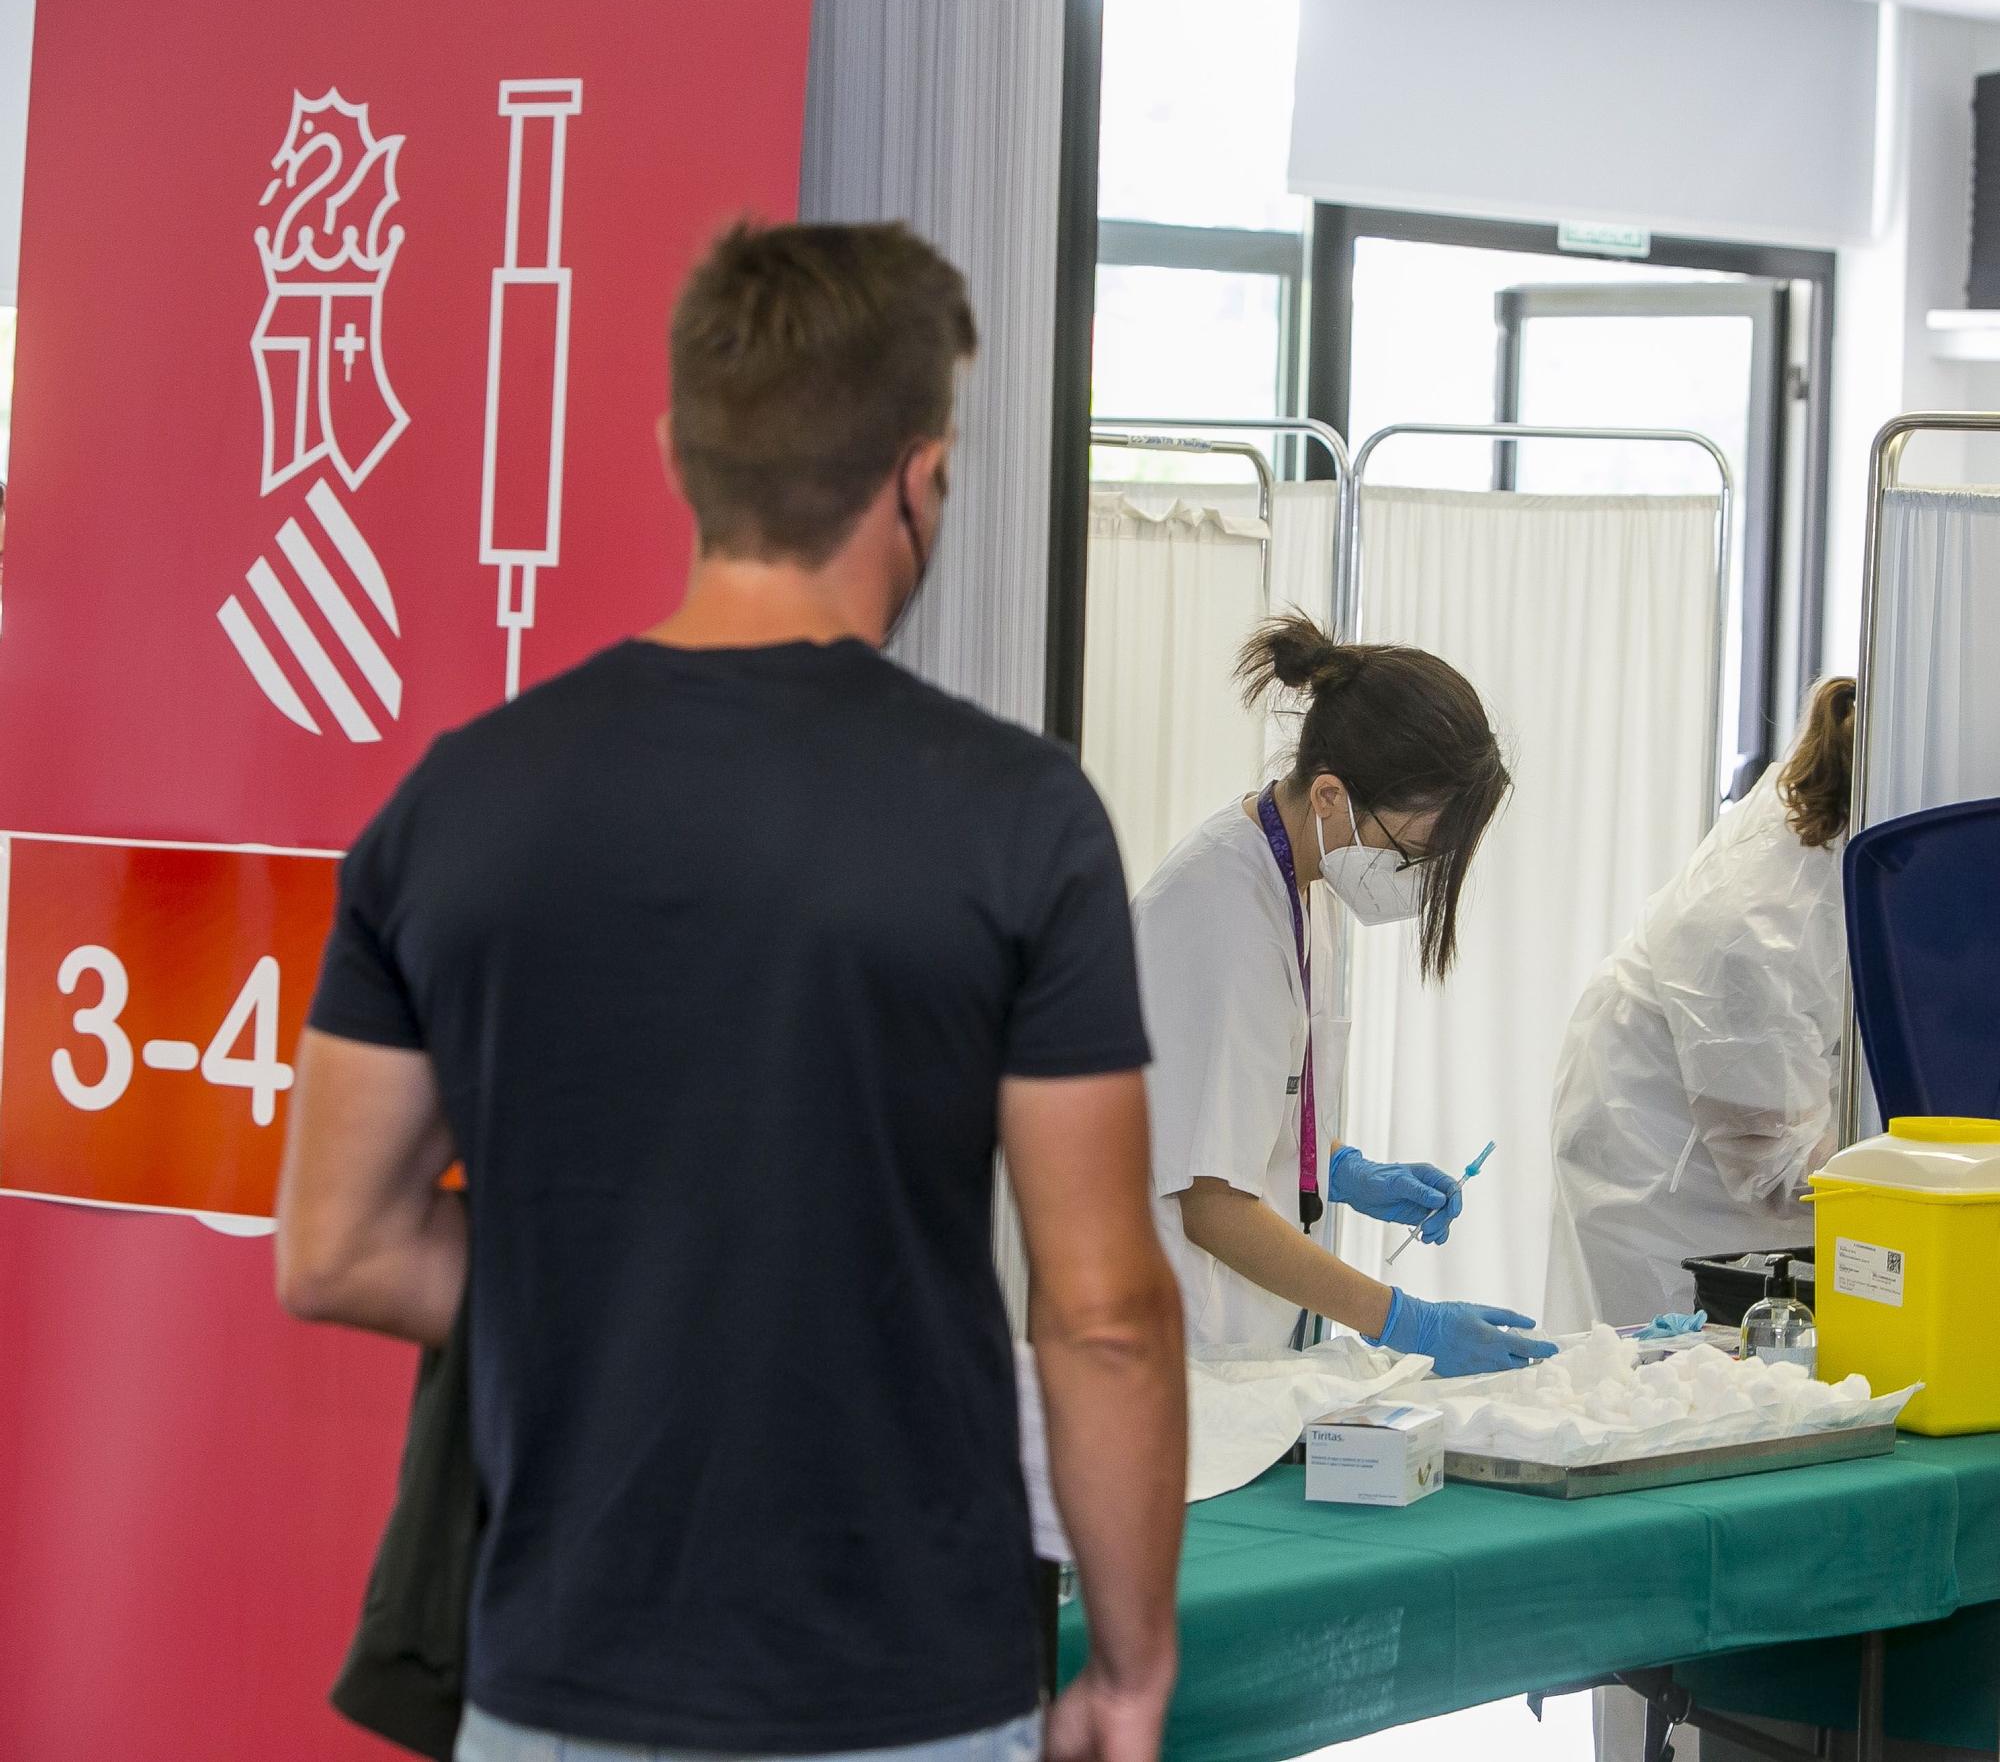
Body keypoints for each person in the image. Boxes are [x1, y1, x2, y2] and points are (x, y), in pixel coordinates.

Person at [276, 222, 1188, 1762]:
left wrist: (623, 1276)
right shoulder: (1016, 818)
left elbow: (339, 1245)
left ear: (679, 455)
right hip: (903, 1682)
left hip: (554, 1683)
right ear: (920, 472)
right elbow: (1100, 1314)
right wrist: (1130, 1657)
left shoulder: (458, 804)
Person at [1132, 614, 1556, 1376]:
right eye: (1413, 852)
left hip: (1235, 1343)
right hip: (1174, 1349)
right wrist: (1405, 1321)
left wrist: (1346, 1171)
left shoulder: (1300, 880)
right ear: (1329, 796)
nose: (1417, 878)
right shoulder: (1221, 912)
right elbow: (1211, 1203)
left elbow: (1249, 1101)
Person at [1544, 677, 1858, 1331]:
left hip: (1714, 1108)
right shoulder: (1759, 924)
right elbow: (1775, 1165)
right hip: (1655, 1155)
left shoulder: (1827, 815)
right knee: (1667, 1356)